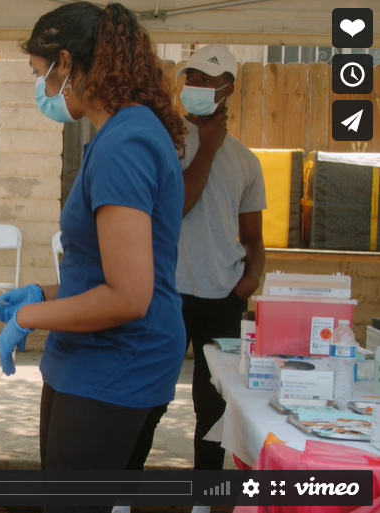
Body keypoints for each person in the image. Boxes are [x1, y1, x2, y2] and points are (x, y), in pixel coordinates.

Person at [0, 1, 186, 504]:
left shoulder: (125, 143)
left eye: (42, 74)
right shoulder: (118, 135)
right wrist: (42, 293)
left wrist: (33, 316)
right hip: (96, 361)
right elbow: (107, 269)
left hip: (115, 366)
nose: (44, 91)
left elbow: (128, 295)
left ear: (67, 63)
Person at [176, 45, 266, 476]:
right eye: (189, 78)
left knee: (211, 409)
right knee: (146, 399)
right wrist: (207, 146)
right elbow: (178, 205)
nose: (193, 87)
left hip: (221, 298)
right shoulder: (165, 140)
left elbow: (253, 237)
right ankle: (121, 499)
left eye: (206, 80)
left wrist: (250, 280)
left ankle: (202, 500)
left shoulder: (246, 161)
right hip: (165, 293)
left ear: (228, 88)